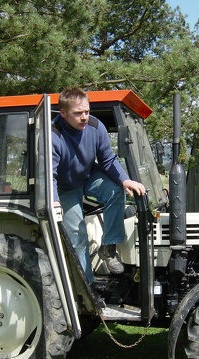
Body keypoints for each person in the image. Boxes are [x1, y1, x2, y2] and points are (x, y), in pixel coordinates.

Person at [52, 87, 146, 284]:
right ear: (63, 113)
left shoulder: (95, 127)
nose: (84, 117)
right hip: (65, 185)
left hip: (87, 174)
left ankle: (109, 247)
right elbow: (48, 174)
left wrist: (124, 179)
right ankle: (88, 287)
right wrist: (54, 201)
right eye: (78, 113)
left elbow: (108, 159)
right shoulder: (53, 135)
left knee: (115, 191)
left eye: (87, 111)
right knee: (78, 236)